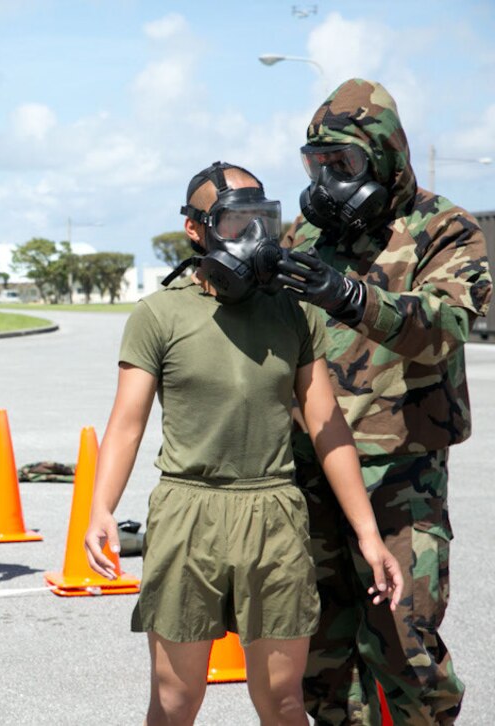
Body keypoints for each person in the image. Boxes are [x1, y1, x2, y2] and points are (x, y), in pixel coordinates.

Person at [85, 162, 403, 726]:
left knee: (282, 702)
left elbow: (328, 428)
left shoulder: (295, 310)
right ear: (196, 229)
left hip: (274, 512)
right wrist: (100, 508)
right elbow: (126, 423)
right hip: (188, 511)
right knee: (176, 701)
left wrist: (369, 534)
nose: (252, 236)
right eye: (234, 222)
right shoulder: (158, 314)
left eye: (261, 219)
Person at [276, 78, 492, 724]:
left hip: (400, 475)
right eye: (318, 165)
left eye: (344, 164)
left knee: (405, 648)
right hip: (311, 469)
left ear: (387, 158)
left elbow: (446, 326)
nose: (328, 181)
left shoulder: (443, 229)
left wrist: (350, 296)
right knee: (320, 655)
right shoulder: (306, 236)